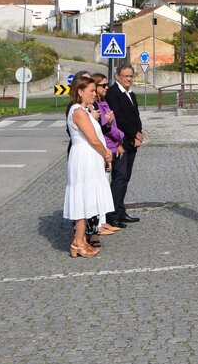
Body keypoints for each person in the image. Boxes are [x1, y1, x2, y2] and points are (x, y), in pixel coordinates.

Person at [62, 75, 115, 258]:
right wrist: (106, 154)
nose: (95, 94)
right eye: (91, 91)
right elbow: (92, 139)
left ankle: (81, 240)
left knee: (87, 198)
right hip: (84, 158)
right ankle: (77, 241)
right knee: (82, 198)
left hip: (89, 157)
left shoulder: (84, 110)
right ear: (80, 91)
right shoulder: (78, 111)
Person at [105, 63, 144, 228]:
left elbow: (136, 116)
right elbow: (119, 119)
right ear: (118, 77)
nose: (129, 79)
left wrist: (139, 133)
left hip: (131, 142)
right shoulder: (113, 93)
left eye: (131, 76)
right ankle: (112, 215)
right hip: (119, 142)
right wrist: (135, 133)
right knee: (119, 178)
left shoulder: (131, 93)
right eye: (126, 76)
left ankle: (121, 211)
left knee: (126, 177)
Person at [91, 72, 124, 235]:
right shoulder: (96, 105)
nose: (106, 88)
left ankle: (103, 221)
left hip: (111, 146)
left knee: (105, 185)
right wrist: (120, 136)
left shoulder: (103, 102)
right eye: (103, 85)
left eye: (106, 85)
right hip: (105, 148)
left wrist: (118, 141)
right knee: (102, 185)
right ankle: (99, 223)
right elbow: (106, 129)